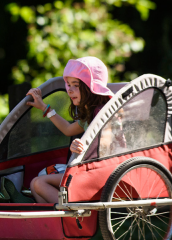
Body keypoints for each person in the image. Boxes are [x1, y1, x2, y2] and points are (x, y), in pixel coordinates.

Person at [25, 56, 114, 203]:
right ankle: (58, 224)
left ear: (91, 87)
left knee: (39, 183)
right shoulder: (89, 115)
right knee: (36, 184)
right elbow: (67, 129)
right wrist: (44, 108)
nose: (70, 90)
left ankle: (73, 216)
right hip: (89, 170)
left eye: (76, 85)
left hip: (101, 172)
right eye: (68, 85)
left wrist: (83, 147)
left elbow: (106, 143)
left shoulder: (102, 112)